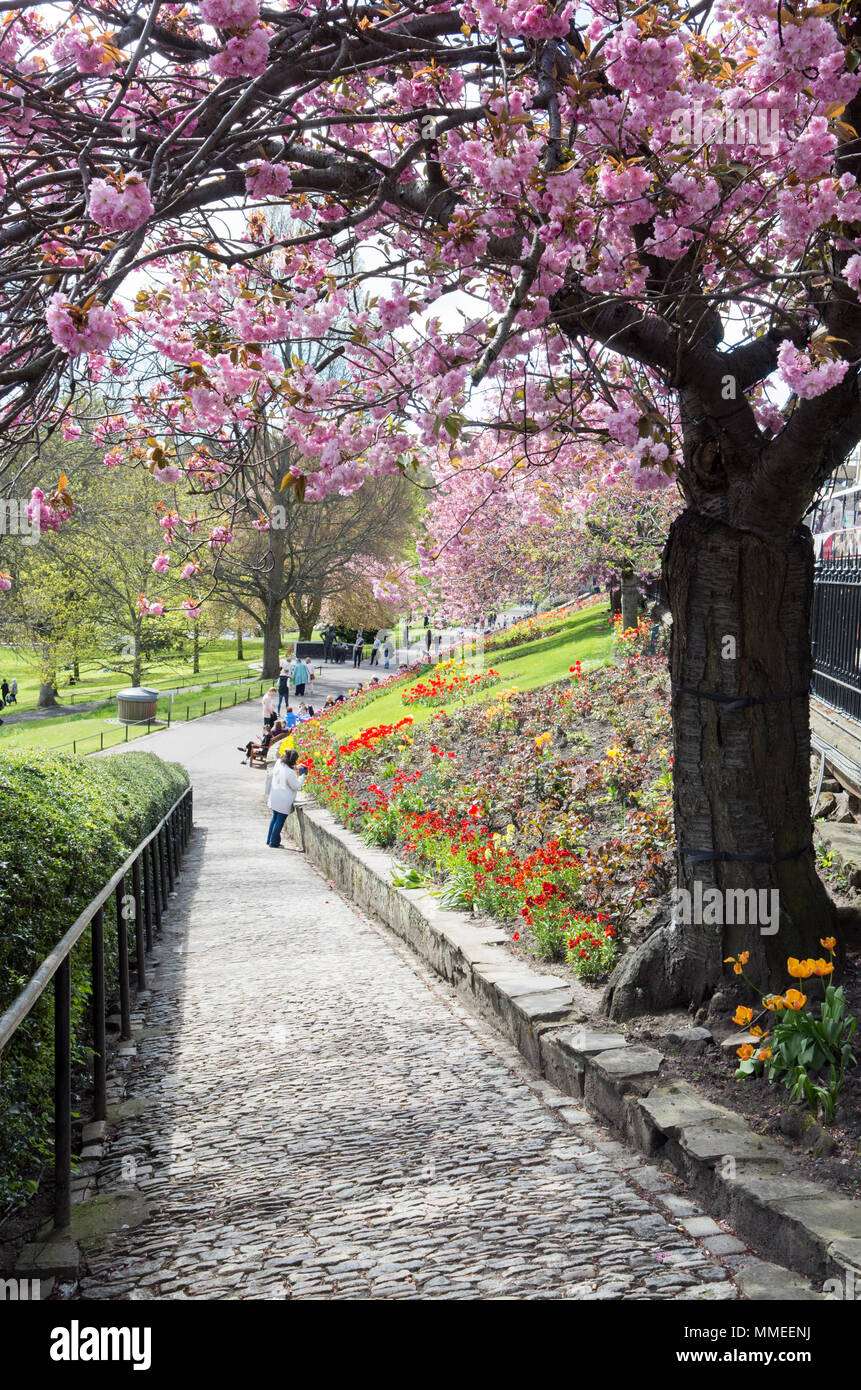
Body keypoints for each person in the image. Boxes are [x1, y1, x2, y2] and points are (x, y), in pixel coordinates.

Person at [266, 749, 308, 848]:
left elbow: (285, 768)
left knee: (274, 817)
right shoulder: (290, 773)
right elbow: (296, 786)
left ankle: (269, 839)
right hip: (283, 799)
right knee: (279, 821)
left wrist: (295, 767)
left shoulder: (279, 763)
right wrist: (302, 776)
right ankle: (274, 842)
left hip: (274, 795)